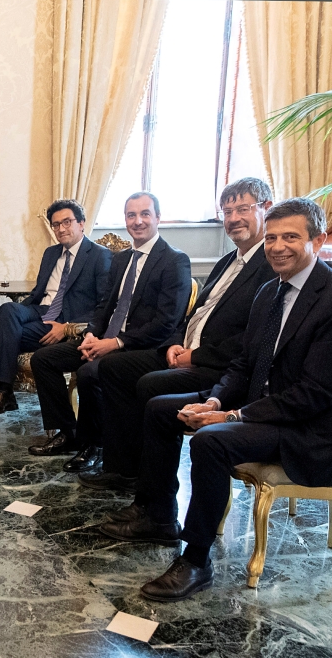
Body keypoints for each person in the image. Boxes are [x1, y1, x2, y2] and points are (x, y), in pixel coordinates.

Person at [101, 198, 332, 603]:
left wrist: (234, 416)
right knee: (162, 409)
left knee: (213, 441)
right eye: (274, 237)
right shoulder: (269, 291)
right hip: (262, 406)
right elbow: (245, 363)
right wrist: (214, 402)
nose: (278, 246)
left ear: (318, 240)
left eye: (292, 237)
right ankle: (157, 515)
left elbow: (315, 395)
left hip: (311, 429)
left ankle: (196, 561)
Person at [85, 178, 277, 492]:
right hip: (186, 350)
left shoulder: (270, 266)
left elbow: (251, 339)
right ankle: (124, 468)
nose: (232, 219)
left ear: (266, 210)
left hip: (220, 367)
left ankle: (151, 487)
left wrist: (195, 355)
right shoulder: (230, 260)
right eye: (226, 212)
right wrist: (177, 342)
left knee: (148, 383)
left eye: (242, 209)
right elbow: (192, 315)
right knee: (112, 368)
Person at [27, 192, 191, 474]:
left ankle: (96, 445)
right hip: (106, 339)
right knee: (44, 359)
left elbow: (166, 322)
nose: (137, 221)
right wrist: (91, 335)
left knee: (92, 373)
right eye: (131, 215)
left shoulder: (174, 260)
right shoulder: (121, 259)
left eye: (144, 214)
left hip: (142, 346)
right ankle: (69, 433)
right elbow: (104, 306)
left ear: (158, 218)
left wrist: (115, 343)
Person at [0, 200, 112, 433]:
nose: (61, 229)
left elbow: (105, 304)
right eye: (56, 225)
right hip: (40, 311)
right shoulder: (51, 253)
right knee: (8, 310)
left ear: (81, 224)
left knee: (0, 336)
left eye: (67, 222)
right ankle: (3, 390)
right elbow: (39, 292)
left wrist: (68, 327)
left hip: (66, 321)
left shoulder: (99, 256)